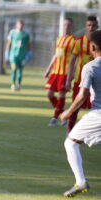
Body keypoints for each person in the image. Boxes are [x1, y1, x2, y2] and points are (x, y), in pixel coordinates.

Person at [60, 30, 101, 198]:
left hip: (98, 114)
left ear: (92, 46)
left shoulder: (90, 67)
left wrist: (68, 112)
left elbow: (82, 95)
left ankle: (81, 181)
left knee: (70, 143)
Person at [65, 16, 99, 132]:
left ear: (97, 26)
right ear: (85, 26)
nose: (91, 28)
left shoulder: (99, 42)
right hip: (80, 81)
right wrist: (68, 79)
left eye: (93, 25)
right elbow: (72, 61)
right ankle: (70, 131)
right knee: (75, 107)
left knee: (95, 108)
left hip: (96, 82)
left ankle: (93, 133)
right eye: (89, 25)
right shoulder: (79, 41)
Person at [44, 18, 75, 126]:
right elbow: (55, 56)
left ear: (71, 26)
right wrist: (48, 70)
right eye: (65, 24)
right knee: (49, 94)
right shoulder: (59, 39)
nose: (66, 26)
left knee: (62, 94)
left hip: (65, 72)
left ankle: (54, 118)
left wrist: (71, 75)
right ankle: (64, 114)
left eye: (69, 25)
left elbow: (74, 59)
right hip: (55, 72)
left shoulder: (73, 41)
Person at [5, 19, 32, 91]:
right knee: (14, 69)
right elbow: (9, 43)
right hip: (13, 55)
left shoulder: (26, 34)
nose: (20, 26)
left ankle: (19, 84)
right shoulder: (12, 32)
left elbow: (29, 44)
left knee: (20, 71)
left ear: (23, 25)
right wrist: (7, 52)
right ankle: (13, 84)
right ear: (16, 25)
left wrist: (29, 53)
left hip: (22, 55)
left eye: (22, 24)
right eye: (19, 24)